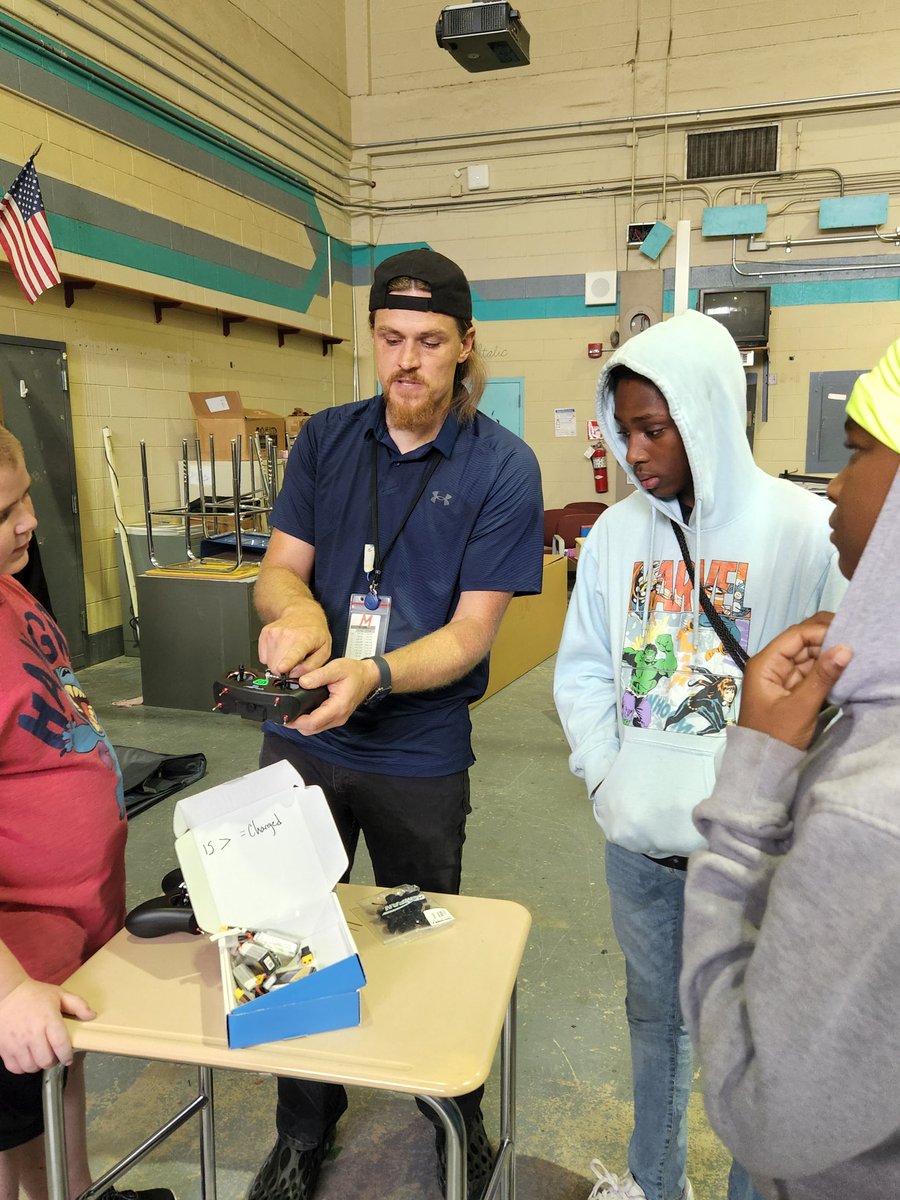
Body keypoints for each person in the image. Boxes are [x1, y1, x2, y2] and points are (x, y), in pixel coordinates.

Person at [247, 247, 544, 1200]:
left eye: (428, 343)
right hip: (305, 742)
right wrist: (293, 610)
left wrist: (370, 672)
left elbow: (469, 634)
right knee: (289, 940)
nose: (406, 363)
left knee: (425, 945)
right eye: (389, 340)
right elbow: (280, 565)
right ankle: (303, 1130)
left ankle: (452, 1112)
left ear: (465, 347)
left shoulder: (503, 466)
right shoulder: (328, 441)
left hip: (418, 752)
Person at [553, 310, 843, 1200]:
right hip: (641, 851)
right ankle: (653, 1182)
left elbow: (843, 692)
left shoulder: (807, 529)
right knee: (656, 1023)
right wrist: (608, 779)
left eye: (655, 428)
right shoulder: (613, 536)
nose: (636, 452)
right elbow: (587, 669)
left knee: (759, 1039)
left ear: (708, 413)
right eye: (626, 429)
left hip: (758, 858)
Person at [680, 336, 900, 1199]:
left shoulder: (872, 809)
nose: (836, 486)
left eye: (856, 452)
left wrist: (757, 773)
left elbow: (766, 1110)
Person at [0, 426, 173, 1200]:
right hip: (11, 963)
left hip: (62, 939)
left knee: (57, 1092)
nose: (30, 521)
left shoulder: (12, 595)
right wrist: (7, 990)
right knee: (15, 1140)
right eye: (5, 511)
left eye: (27, 496)